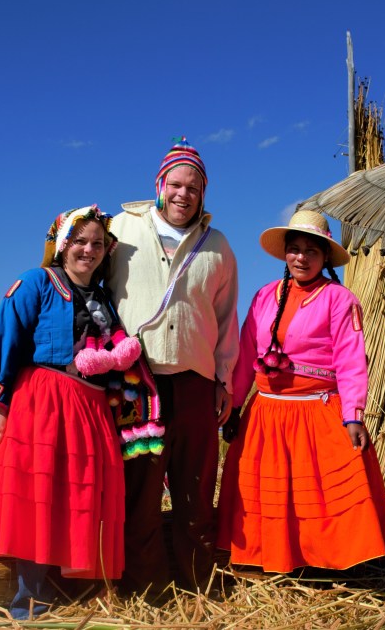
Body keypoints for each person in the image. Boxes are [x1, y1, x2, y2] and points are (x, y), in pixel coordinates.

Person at [0, 206, 147, 620]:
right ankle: (29, 602)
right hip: (42, 403)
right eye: (80, 241)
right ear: (62, 245)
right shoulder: (36, 283)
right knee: (38, 500)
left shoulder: (102, 299)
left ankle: (69, 592)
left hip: (89, 409)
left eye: (97, 243)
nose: (88, 250)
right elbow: (5, 338)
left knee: (76, 499)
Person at [217, 209, 385, 573]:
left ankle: (323, 560)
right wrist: (235, 406)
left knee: (317, 493)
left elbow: (350, 361)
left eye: (311, 251)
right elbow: (247, 352)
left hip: (318, 412)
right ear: (285, 253)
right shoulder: (266, 296)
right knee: (270, 493)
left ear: (325, 257)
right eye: (294, 249)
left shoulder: (340, 300)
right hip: (266, 414)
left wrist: (353, 416)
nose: (301, 258)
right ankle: (267, 555)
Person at [104, 137, 240, 595]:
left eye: (194, 188)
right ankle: (146, 590)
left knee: (196, 488)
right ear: (159, 185)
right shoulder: (121, 229)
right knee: (140, 489)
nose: (184, 194)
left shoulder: (216, 246)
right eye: (176, 184)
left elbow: (226, 319)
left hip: (197, 383)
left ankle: (198, 585)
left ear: (204, 194)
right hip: (137, 384)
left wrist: (223, 379)